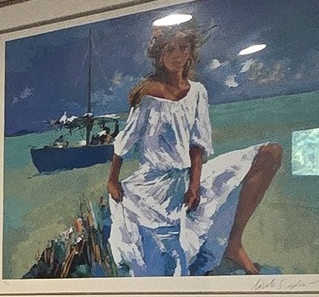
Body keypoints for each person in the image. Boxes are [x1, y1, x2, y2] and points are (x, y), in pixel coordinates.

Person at [105, 26, 282, 275]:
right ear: (160, 56)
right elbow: (125, 140)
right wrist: (112, 179)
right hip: (153, 188)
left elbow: (198, 144)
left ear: (191, 52)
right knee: (168, 262)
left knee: (270, 154)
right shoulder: (147, 93)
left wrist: (195, 184)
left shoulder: (198, 92)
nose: (177, 55)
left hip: (187, 177)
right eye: (170, 49)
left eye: (183, 48)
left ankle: (234, 243)